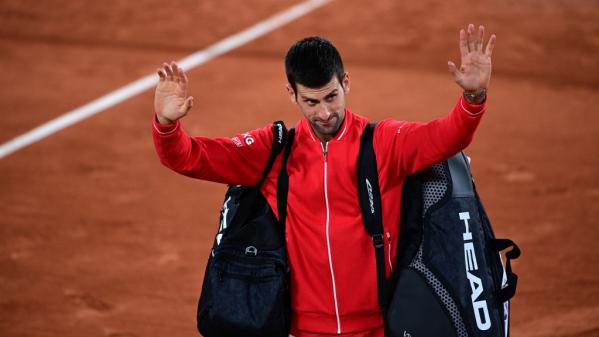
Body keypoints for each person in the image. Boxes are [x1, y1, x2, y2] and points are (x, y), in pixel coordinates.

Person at [152, 24, 495, 337]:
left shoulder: (383, 143)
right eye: (311, 102)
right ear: (292, 94)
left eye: (331, 96)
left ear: (345, 82)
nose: (325, 113)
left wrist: (473, 99)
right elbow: (191, 157)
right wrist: (167, 127)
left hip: (377, 327)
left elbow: (445, 137)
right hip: (301, 330)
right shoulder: (273, 152)